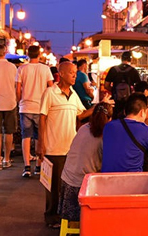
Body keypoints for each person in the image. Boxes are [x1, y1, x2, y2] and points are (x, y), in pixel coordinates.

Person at [38, 61, 96, 229]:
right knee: (53, 185)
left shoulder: (73, 94)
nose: (74, 76)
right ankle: (51, 217)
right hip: (53, 146)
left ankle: (62, 216)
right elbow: (41, 118)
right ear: (61, 74)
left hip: (70, 148)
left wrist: (99, 106)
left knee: (67, 185)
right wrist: (40, 144)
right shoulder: (50, 93)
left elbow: (82, 114)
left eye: (75, 73)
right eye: (71, 73)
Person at [59, 102, 112, 223]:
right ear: (110, 119)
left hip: (66, 181)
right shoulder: (105, 136)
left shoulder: (83, 128)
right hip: (82, 188)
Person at [100, 94, 148, 173]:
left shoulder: (108, 127)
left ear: (125, 112)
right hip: (133, 181)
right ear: (142, 112)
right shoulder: (146, 130)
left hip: (106, 180)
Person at [17, 45, 54, 178]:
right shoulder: (45, 69)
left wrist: (19, 102)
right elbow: (51, 87)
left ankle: (27, 167)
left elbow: (18, 89)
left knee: (26, 137)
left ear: (27, 54)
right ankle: (39, 166)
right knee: (40, 137)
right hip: (41, 107)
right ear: (39, 54)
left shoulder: (22, 69)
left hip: (25, 107)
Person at [0, 44, 19, 171]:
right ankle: (6, 158)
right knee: (9, 131)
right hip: (10, 102)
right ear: (5, 52)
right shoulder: (12, 67)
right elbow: (17, 86)